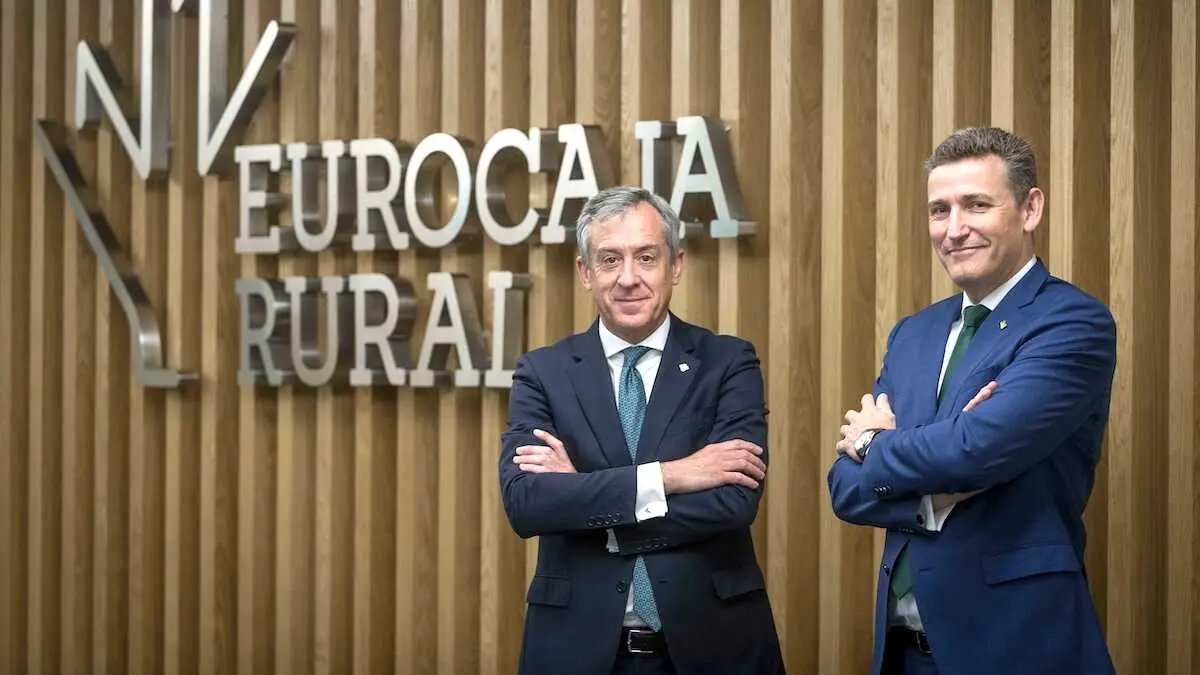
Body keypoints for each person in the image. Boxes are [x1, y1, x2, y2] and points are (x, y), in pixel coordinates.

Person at [826, 127, 1117, 675]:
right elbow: (844, 488)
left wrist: (872, 442)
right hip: (903, 654)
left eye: (976, 205)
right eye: (939, 210)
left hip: (1016, 645)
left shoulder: (1071, 321)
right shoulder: (914, 334)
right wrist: (934, 491)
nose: (954, 229)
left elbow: (976, 450)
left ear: (1030, 209)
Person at [499, 186, 784, 675]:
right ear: (585, 273)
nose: (628, 278)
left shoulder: (728, 362)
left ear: (675, 264)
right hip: (577, 651)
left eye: (645, 257)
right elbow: (528, 504)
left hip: (714, 646)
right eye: (609, 259)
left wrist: (585, 500)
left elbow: (734, 501)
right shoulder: (542, 372)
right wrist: (672, 476)